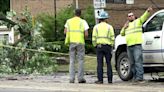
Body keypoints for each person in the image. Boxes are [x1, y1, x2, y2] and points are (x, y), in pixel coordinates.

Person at [120, 7, 153, 82]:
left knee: (138, 61)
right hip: (129, 46)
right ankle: (135, 77)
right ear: (127, 18)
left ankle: (139, 77)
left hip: (137, 45)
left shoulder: (138, 21)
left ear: (134, 16)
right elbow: (121, 34)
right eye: (129, 16)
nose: (130, 17)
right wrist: (124, 27)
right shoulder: (127, 25)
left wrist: (147, 11)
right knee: (132, 62)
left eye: (132, 15)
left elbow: (144, 17)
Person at [64, 9, 89, 83]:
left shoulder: (69, 21)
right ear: (80, 14)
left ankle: (71, 78)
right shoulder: (83, 22)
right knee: (80, 60)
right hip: (80, 42)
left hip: (72, 42)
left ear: (74, 13)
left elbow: (65, 31)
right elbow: (86, 34)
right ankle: (80, 78)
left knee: (72, 60)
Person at [92, 11, 115, 84]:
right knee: (108, 63)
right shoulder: (109, 27)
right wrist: (111, 45)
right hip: (107, 46)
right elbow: (112, 38)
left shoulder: (96, 27)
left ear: (100, 19)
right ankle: (110, 80)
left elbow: (93, 38)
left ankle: (100, 80)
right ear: (106, 19)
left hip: (99, 46)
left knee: (99, 64)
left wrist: (95, 45)